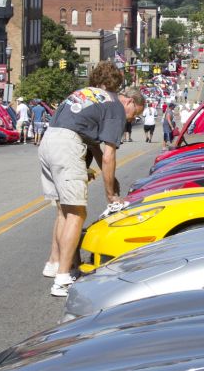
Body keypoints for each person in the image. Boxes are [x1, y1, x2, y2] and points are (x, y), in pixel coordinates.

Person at [39, 72, 144, 297]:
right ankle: (63, 280)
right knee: (77, 214)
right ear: (130, 102)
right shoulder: (116, 106)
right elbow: (108, 156)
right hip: (68, 144)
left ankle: (54, 264)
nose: (132, 120)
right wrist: (111, 196)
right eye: (135, 115)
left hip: (49, 140)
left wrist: (111, 182)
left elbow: (96, 149)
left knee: (64, 211)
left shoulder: (93, 95)